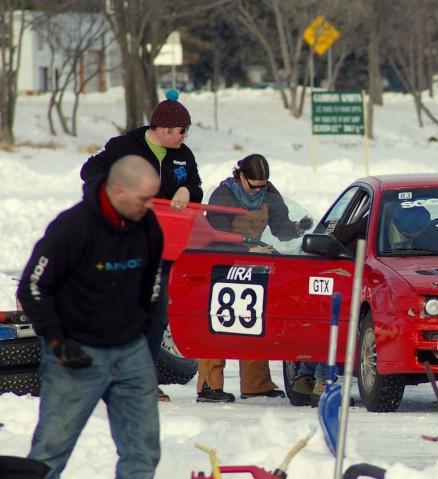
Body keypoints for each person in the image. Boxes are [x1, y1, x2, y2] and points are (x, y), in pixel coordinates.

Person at [13, 155, 163, 479]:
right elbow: (32, 288)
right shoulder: (73, 228)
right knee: (52, 447)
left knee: (143, 446)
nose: (149, 205)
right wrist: (57, 342)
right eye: (143, 198)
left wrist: (140, 326)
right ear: (118, 191)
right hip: (75, 353)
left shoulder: (147, 224)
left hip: (130, 351)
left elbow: (153, 279)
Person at [80, 89, 202, 402]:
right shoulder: (125, 147)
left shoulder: (183, 156)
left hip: (164, 245)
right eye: (180, 130)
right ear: (162, 129)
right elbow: (90, 172)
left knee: (156, 313)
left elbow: (197, 187)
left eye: (186, 130)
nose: (184, 136)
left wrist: (188, 190)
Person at [197, 154, 306, 402]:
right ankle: (209, 386)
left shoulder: (269, 192)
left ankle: (257, 384)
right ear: (241, 176)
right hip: (221, 264)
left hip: (255, 263)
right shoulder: (222, 195)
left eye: (263, 185)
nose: (259, 190)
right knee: (218, 321)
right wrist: (246, 250)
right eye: (254, 185)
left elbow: (280, 227)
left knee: (254, 317)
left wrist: (297, 229)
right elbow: (216, 236)